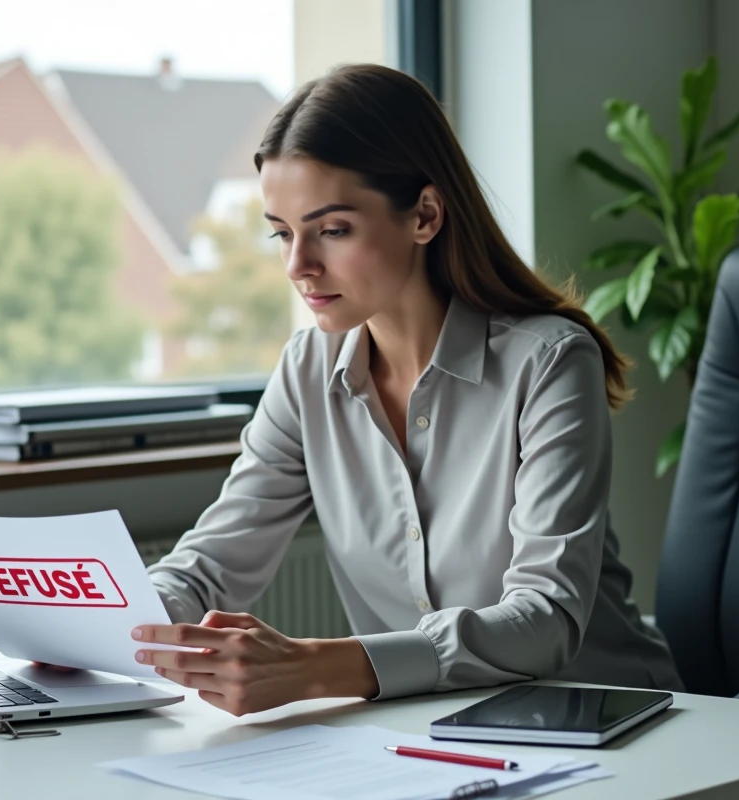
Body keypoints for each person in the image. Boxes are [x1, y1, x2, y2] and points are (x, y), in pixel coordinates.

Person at [45, 63, 683, 715]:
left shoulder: (548, 363)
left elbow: (545, 618)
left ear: (425, 215)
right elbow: (213, 566)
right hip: (426, 731)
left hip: (610, 718)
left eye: (333, 229)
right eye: (282, 232)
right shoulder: (307, 371)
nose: (298, 265)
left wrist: (319, 668)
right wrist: (97, 628)